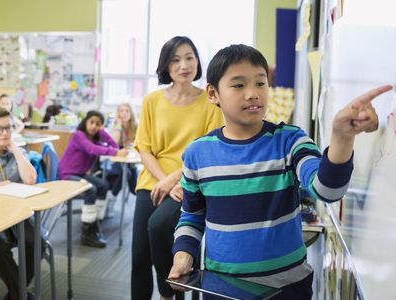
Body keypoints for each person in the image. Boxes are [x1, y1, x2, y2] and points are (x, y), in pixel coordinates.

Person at [168, 44, 393, 299]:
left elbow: (327, 190)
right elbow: (192, 215)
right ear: (213, 93)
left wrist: (341, 137)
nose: (253, 94)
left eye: (261, 83)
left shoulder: (290, 140)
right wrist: (183, 254)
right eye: (239, 85)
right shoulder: (197, 154)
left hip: (288, 288)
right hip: (222, 287)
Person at [131, 36, 224, 300]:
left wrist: (174, 180)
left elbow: (206, 149)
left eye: (189, 57)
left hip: (187, 182)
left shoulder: (210, 101)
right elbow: (145, 147)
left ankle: (168, 294)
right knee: (139, 256)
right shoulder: (151, 100)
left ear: (197, 61)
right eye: (175, 59)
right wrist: (162, 180)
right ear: (166, 66)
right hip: (152, 181)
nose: (184, 64)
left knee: (159, 228)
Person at [58, 110, 128, 248]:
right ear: (85, 122)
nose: (93, 126)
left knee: (103, 185)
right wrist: (116, 152)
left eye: (98, 124)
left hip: (80, 174)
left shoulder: (94, 138)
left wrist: (102, 133)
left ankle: (95, 223)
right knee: (91, 190)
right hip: (67, 175)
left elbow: (113, 145)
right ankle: (86, 234)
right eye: (91, 122)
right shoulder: (78, 136)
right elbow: (92, 149)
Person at [0, 108, 39, 300]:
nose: (5, 133)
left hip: (17, 213)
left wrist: (14, 148)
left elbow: (30, 179)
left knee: (36, 242)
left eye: (8, 128)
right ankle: (20, 294)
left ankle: (15, 294)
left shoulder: (17, 151)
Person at [105, 102, 138, 217]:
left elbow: (139, 144)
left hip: (132, 160)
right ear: (118, 113)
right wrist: (118, 125)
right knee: (125, 173)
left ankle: (112, 198)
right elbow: (113, 144)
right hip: (116, 159)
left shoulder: (136, 126)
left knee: (135, 188)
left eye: (127, 111)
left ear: (131, 113)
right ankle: (111, 200)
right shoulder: (114, 126)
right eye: (121, 111)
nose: (124, 113)